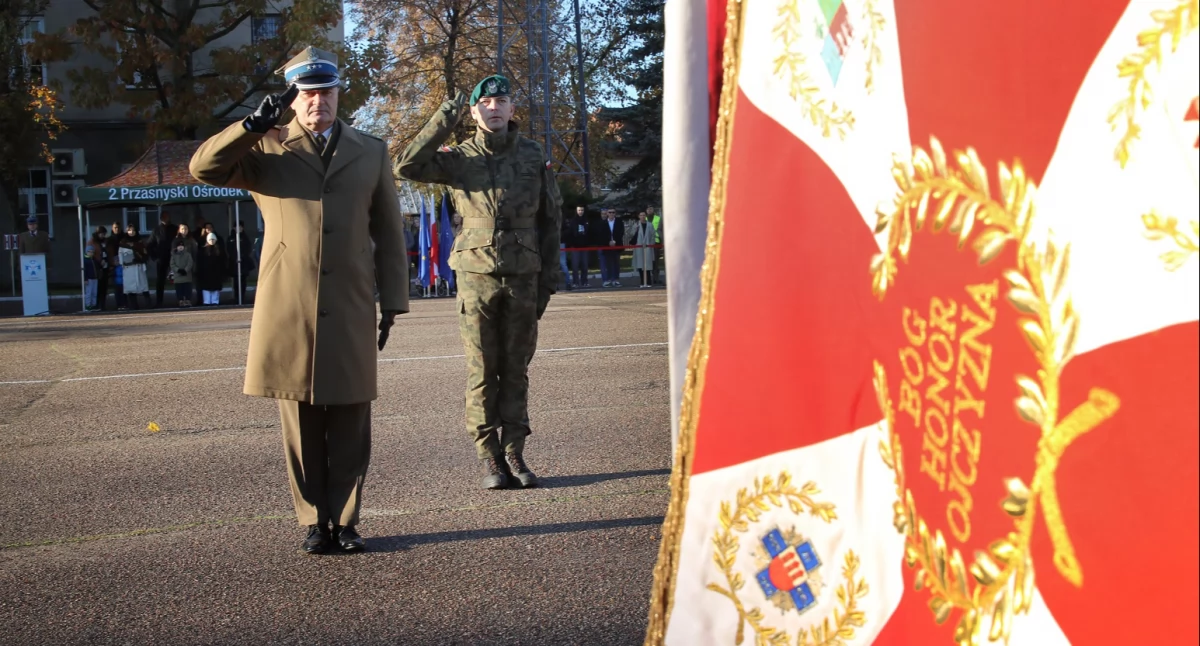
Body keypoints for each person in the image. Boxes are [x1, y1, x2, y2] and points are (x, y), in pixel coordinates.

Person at [190, 45, 408, 555]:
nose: (317, 103)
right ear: (293, 99)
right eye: (307, 94)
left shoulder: (371, 150)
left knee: (352, 415)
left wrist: (394, 299)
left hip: (352, 299)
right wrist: (247, 128)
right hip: (289, 303)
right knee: (301, 418)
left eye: (325, 92)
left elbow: (390, 232)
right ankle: (314, 520)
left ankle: (348, 520)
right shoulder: (264, 149)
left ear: (338, 95)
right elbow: (203, 168)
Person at [397, 73, 562, 490]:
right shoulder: (459, 157)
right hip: (475, 277)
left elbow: (551, 220)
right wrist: (445, 115)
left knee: (517, 368)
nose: (493, 108)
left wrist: (549, 280)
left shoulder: (532, 154)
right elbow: (407, 164)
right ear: (473, 111)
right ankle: (489, 456)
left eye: (501, 101)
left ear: (511, 109)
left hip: (524, 274)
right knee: (482, 370)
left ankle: (515, 452)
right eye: (484, 104)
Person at [147, 212, 176, 307]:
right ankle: (159, 302)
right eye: (163, 217)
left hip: (175, 258)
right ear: (160, 218)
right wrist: (154, 256)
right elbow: (150, 244)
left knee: (179, 278)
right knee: (160, 281)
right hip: (162, 258)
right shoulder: (156, 230)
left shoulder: (175, 229)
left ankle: (182, 299)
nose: (165, 218)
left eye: (167, 216)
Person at [119, 224, 150, 309]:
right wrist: (123, 264)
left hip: (139, 266)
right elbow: (121, 255)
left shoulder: (140, 241)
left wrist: (141, 258)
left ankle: (148, 304)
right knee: (130, 288)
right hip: (128, 268)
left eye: (133, 230)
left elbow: (145, 253)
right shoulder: (123, 242)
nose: (131, 232)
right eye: (129, 230)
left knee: (143, 286)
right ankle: (133, 305)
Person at [624, 210, 657, 288]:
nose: (642, 216)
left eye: (644, 215)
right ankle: (642, 281)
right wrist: (635, 229)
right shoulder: (636, 225)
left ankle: (648, 282)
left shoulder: (650, 225)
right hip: (639, 247)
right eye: (641, 215)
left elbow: (653, 235)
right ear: (639, 216)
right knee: (640, 264)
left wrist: (651, 244)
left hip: (647, 247)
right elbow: (629, 234)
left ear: (645, 216)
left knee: (648, 265)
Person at [226, 220, 254, 305]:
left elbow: (248, 248)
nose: (239, 229)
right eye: (237, 227)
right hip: (234, 263)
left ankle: (242, 296)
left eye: (240, 227)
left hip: (243, 262)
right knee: (236, 281)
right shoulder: (231, 238)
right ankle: (236, 297)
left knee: (243, 281)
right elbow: (229, 249)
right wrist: (235, 257)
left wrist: (242, 256)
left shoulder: (245, 237)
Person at [564, 206, 592, 288]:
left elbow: (589, 232)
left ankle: (585, 282)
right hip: (575, 246)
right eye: (579, 210)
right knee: (575, 266)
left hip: (584, 246)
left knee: (585, 265)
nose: (580, 211)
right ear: (576, 211)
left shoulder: (586, 220)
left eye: (582, 210)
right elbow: (570, 233)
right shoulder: (573, 221)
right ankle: (575, 282)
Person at [196, 232, 226, 305]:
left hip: (217, 273)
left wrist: (222, 271)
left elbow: (224, 261)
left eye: (213, 239)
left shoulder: (220, 250)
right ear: (207, 240)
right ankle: (206, 301)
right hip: (205, 273)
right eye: (210, 239)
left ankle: (215, 301)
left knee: (215, 288)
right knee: (206, 288)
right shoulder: (202, 251)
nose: (212, 241)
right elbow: (199, 262)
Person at [598, 208, 624, 287]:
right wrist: (608, 242)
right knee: (608, 263)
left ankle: (616, 280)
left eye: (613, 212)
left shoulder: (619, 222)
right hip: (607, 246)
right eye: (610, 212)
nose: (611, 214)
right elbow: (602, 234)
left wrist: (615, 241)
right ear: (607, 214)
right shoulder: (603, 223)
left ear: (615, 213)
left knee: (616, 263)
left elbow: (621, 232)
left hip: (617, 245)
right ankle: (608, 280)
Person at [106, 222, 126, 310]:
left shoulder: (124, 238)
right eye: (115, 227)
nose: (116, 229)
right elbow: (108, 253)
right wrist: (111, 263)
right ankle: (119, 304)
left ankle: (126, 303)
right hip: (115, 264)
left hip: (125, 263)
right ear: (112, 228)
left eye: (118, 227)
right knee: (117, 285)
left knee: (125, 285)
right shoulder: (109, 239)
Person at [169, 241, 195, 307]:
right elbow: (172, 264)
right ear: (177, 247)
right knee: (179, 289)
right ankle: (180, 301)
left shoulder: (188, 254)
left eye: (182, 246)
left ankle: (188, 300)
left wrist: (185, 270)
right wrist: (178, 270)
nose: (180, 247)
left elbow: (190, 263)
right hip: (178, 276)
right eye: (179, 246)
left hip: (187, 275)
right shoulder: (174, 255)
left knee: (187, 288)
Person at [93, 227, 110, 310]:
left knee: (104, 287)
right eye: (102, 234)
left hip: (105, 267)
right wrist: (99, 261)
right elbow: (91, 254)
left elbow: (108, 252)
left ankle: (102, 305)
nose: (103, 235)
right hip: (97, 268)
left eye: (104, 234)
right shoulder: (92, 242)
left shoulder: (105, 241)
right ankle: (96, 305)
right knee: (98, 287)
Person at [648, 206, 663, 285]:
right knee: (648, 261)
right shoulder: (645, 219)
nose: (649, 210)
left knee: (656, 262)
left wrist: (661, 240)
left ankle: (656, 279)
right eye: (648, 209)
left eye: (651, 209)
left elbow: (662, 229)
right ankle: (647, 280)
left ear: (653, 210)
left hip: (656, 242)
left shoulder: (658, 218)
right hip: (648, 243)